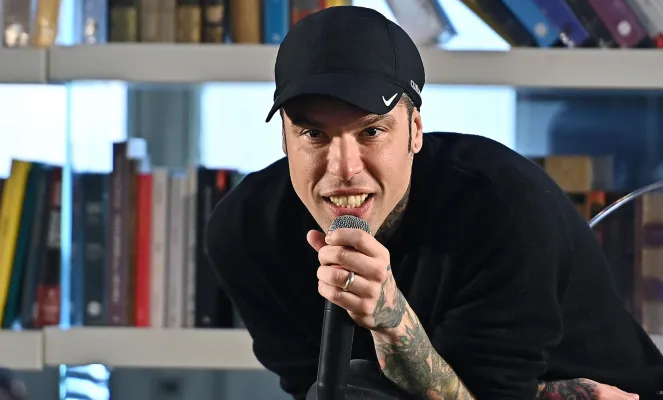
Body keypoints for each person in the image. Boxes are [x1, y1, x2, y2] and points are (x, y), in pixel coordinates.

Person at [204, 5, 663, 400]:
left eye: (371, 131)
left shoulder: (503, 208)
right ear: (284, 139)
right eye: (313, 134)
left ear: (415, 132)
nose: (343, 168)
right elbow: (325, 390)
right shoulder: (244, 233)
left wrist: (390, 317)